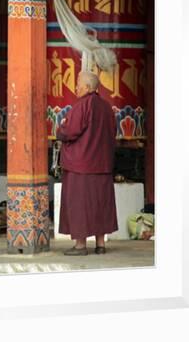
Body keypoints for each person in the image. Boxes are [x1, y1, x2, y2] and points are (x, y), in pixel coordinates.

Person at [56, 70, 118, 256]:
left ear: (88, 87)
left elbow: (70, 131)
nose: (76, 87)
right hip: (103, 165)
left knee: (80, 205)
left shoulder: (82, 106)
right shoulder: (107, 107)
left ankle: (81, 246)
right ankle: (100, 245)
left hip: (80, 166)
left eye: (78, 84)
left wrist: (61, 129)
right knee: (100, 204)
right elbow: (113, 132)